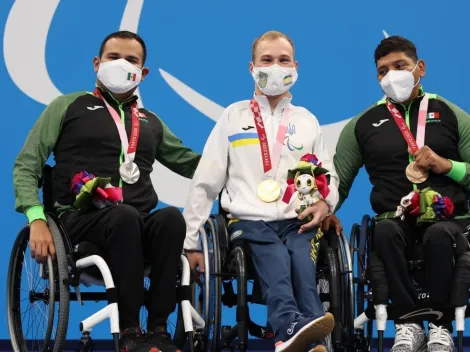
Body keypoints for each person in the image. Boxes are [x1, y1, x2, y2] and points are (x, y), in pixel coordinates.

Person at [13, 30, 201, 352]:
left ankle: (158, 331)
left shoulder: (150, 122)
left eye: (131, 60)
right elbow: (27, 164)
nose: (121, 64)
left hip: (135, 223)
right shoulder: (67, 106)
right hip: (79, 221)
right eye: (113, 57)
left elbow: (193, 165)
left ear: (142, 73)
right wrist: (36, 218)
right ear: (97, 63)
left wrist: (239, 167)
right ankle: (130, 333)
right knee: (123, 217)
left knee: (171, 219)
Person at [183, 30, 337, 352]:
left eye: (283, 60)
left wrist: (325, 205)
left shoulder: (307, 121)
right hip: (247, 221)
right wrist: (192, 241)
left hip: (298, 220)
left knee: (302, 261)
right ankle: (293, 329)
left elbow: (328, 177)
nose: (276, 67)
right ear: (252, 68)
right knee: (277, 256)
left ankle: (309, 338)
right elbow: (205, 182)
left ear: (296, 67)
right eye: (267, 60)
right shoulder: (233, 116)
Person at [328, 35, 470, 352]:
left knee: (437, 234)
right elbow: (338, 181)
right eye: (382, 71)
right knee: (385, 231)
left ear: (420, 68)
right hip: (395, 217)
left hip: (450, 218)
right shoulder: (361, 125)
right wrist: (324, 210)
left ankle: (440, 326)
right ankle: (408, 323)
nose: (391, 76)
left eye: (400, 66)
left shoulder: (451, 114)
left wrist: (446, 165)